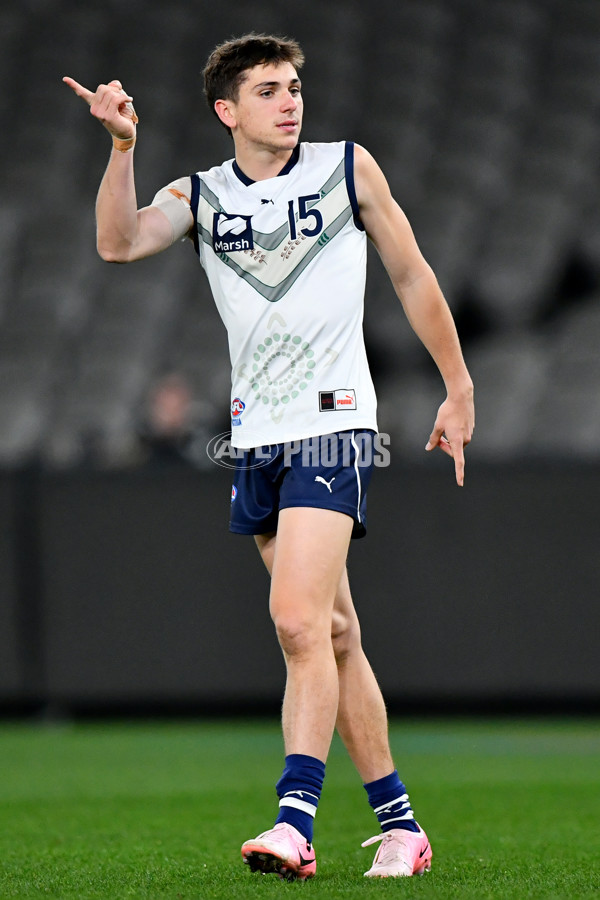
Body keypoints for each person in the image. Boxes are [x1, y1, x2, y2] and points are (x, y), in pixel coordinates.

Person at [63, 32, 474, 881]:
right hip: (255, 435)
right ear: (226, 110)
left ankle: (295, 823)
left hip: (335, 422)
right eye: (267, 91)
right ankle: (401, 828)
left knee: (295, 621)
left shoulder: (347, 169)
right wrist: (122, 148)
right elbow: (118, 242)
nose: (289, 102)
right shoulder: (203, 194)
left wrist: (458, 387)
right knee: (333, 633)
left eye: (293, 87)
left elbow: (412, 272)